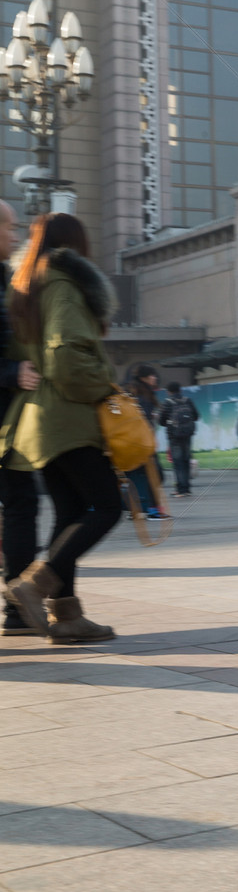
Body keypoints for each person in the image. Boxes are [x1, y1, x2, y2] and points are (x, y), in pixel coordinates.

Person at [2, 212, 120, 642]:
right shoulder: (63, 284)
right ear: (74, 244)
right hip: (65, 416)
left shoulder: (25, 285)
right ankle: (34, 586)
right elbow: (65, 358)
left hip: (36, 422)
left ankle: (67, 617)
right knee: (108, 506)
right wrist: (104, 386)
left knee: (69, 514)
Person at [0, 201, 41, 636]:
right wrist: (13, 372)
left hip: (8, 420)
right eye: (9, 228)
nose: (15, 237)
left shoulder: (6, 279)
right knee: (20, 504)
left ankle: (18, 608)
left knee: (21, 502)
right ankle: (17, 607)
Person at [124, 363, 166, 519]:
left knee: (137, 476)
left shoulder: (130, 392)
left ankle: (137, 509)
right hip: (142, 443)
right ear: (144, 378)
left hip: (130, 442)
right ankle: (152, 509)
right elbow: (143, 421)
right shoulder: (144, 395)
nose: (155, 378)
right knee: (155, 475)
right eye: (152, 375)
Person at [158, 381, 199, 498]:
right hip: (188, 435)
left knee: (178, 463)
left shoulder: (167, 403)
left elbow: (161, 421)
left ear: (168, 392)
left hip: (174, 436)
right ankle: (187, 488)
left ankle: (180, 490)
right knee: (186, 461)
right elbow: (196, 416)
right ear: (180, 390)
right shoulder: (188, 400)